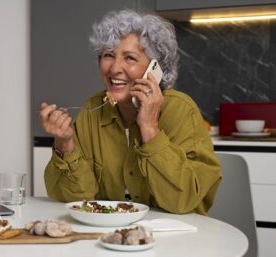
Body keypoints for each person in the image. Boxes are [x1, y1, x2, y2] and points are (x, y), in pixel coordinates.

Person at [39, 9, 221, 215]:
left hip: (175, 238)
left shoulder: (180, 110)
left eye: (130, 58)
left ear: (155, 69)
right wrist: (65, 144)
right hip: (110, 238)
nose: (115, 68)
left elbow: (183, 201)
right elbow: (76, 200)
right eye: (108, 55)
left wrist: (150, 129)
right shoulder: (92, 110)